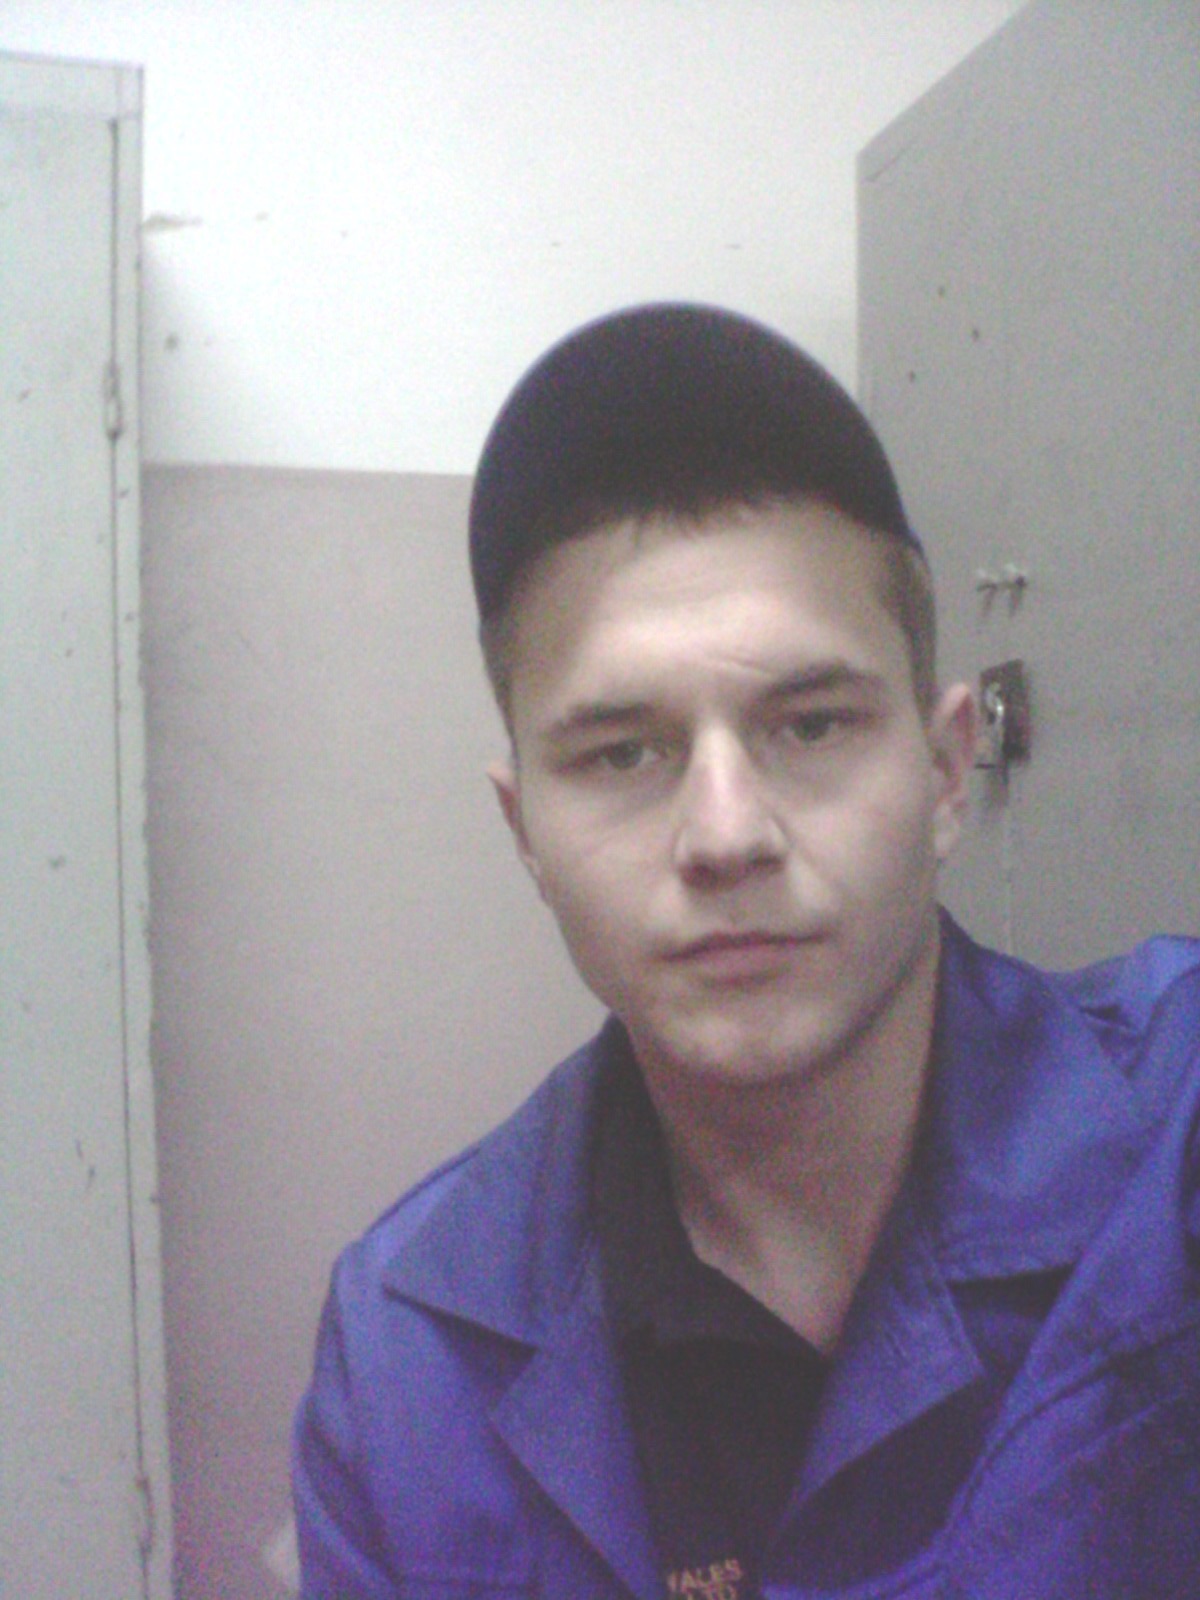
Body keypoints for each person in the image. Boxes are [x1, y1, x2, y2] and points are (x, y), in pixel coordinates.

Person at [292, 304, 1200, 1599]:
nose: (726, 836)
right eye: (622, 753)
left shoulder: (1175, 1140)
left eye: (812, 724)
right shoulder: (409, 1352)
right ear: (526, 832)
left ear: (947, 772)